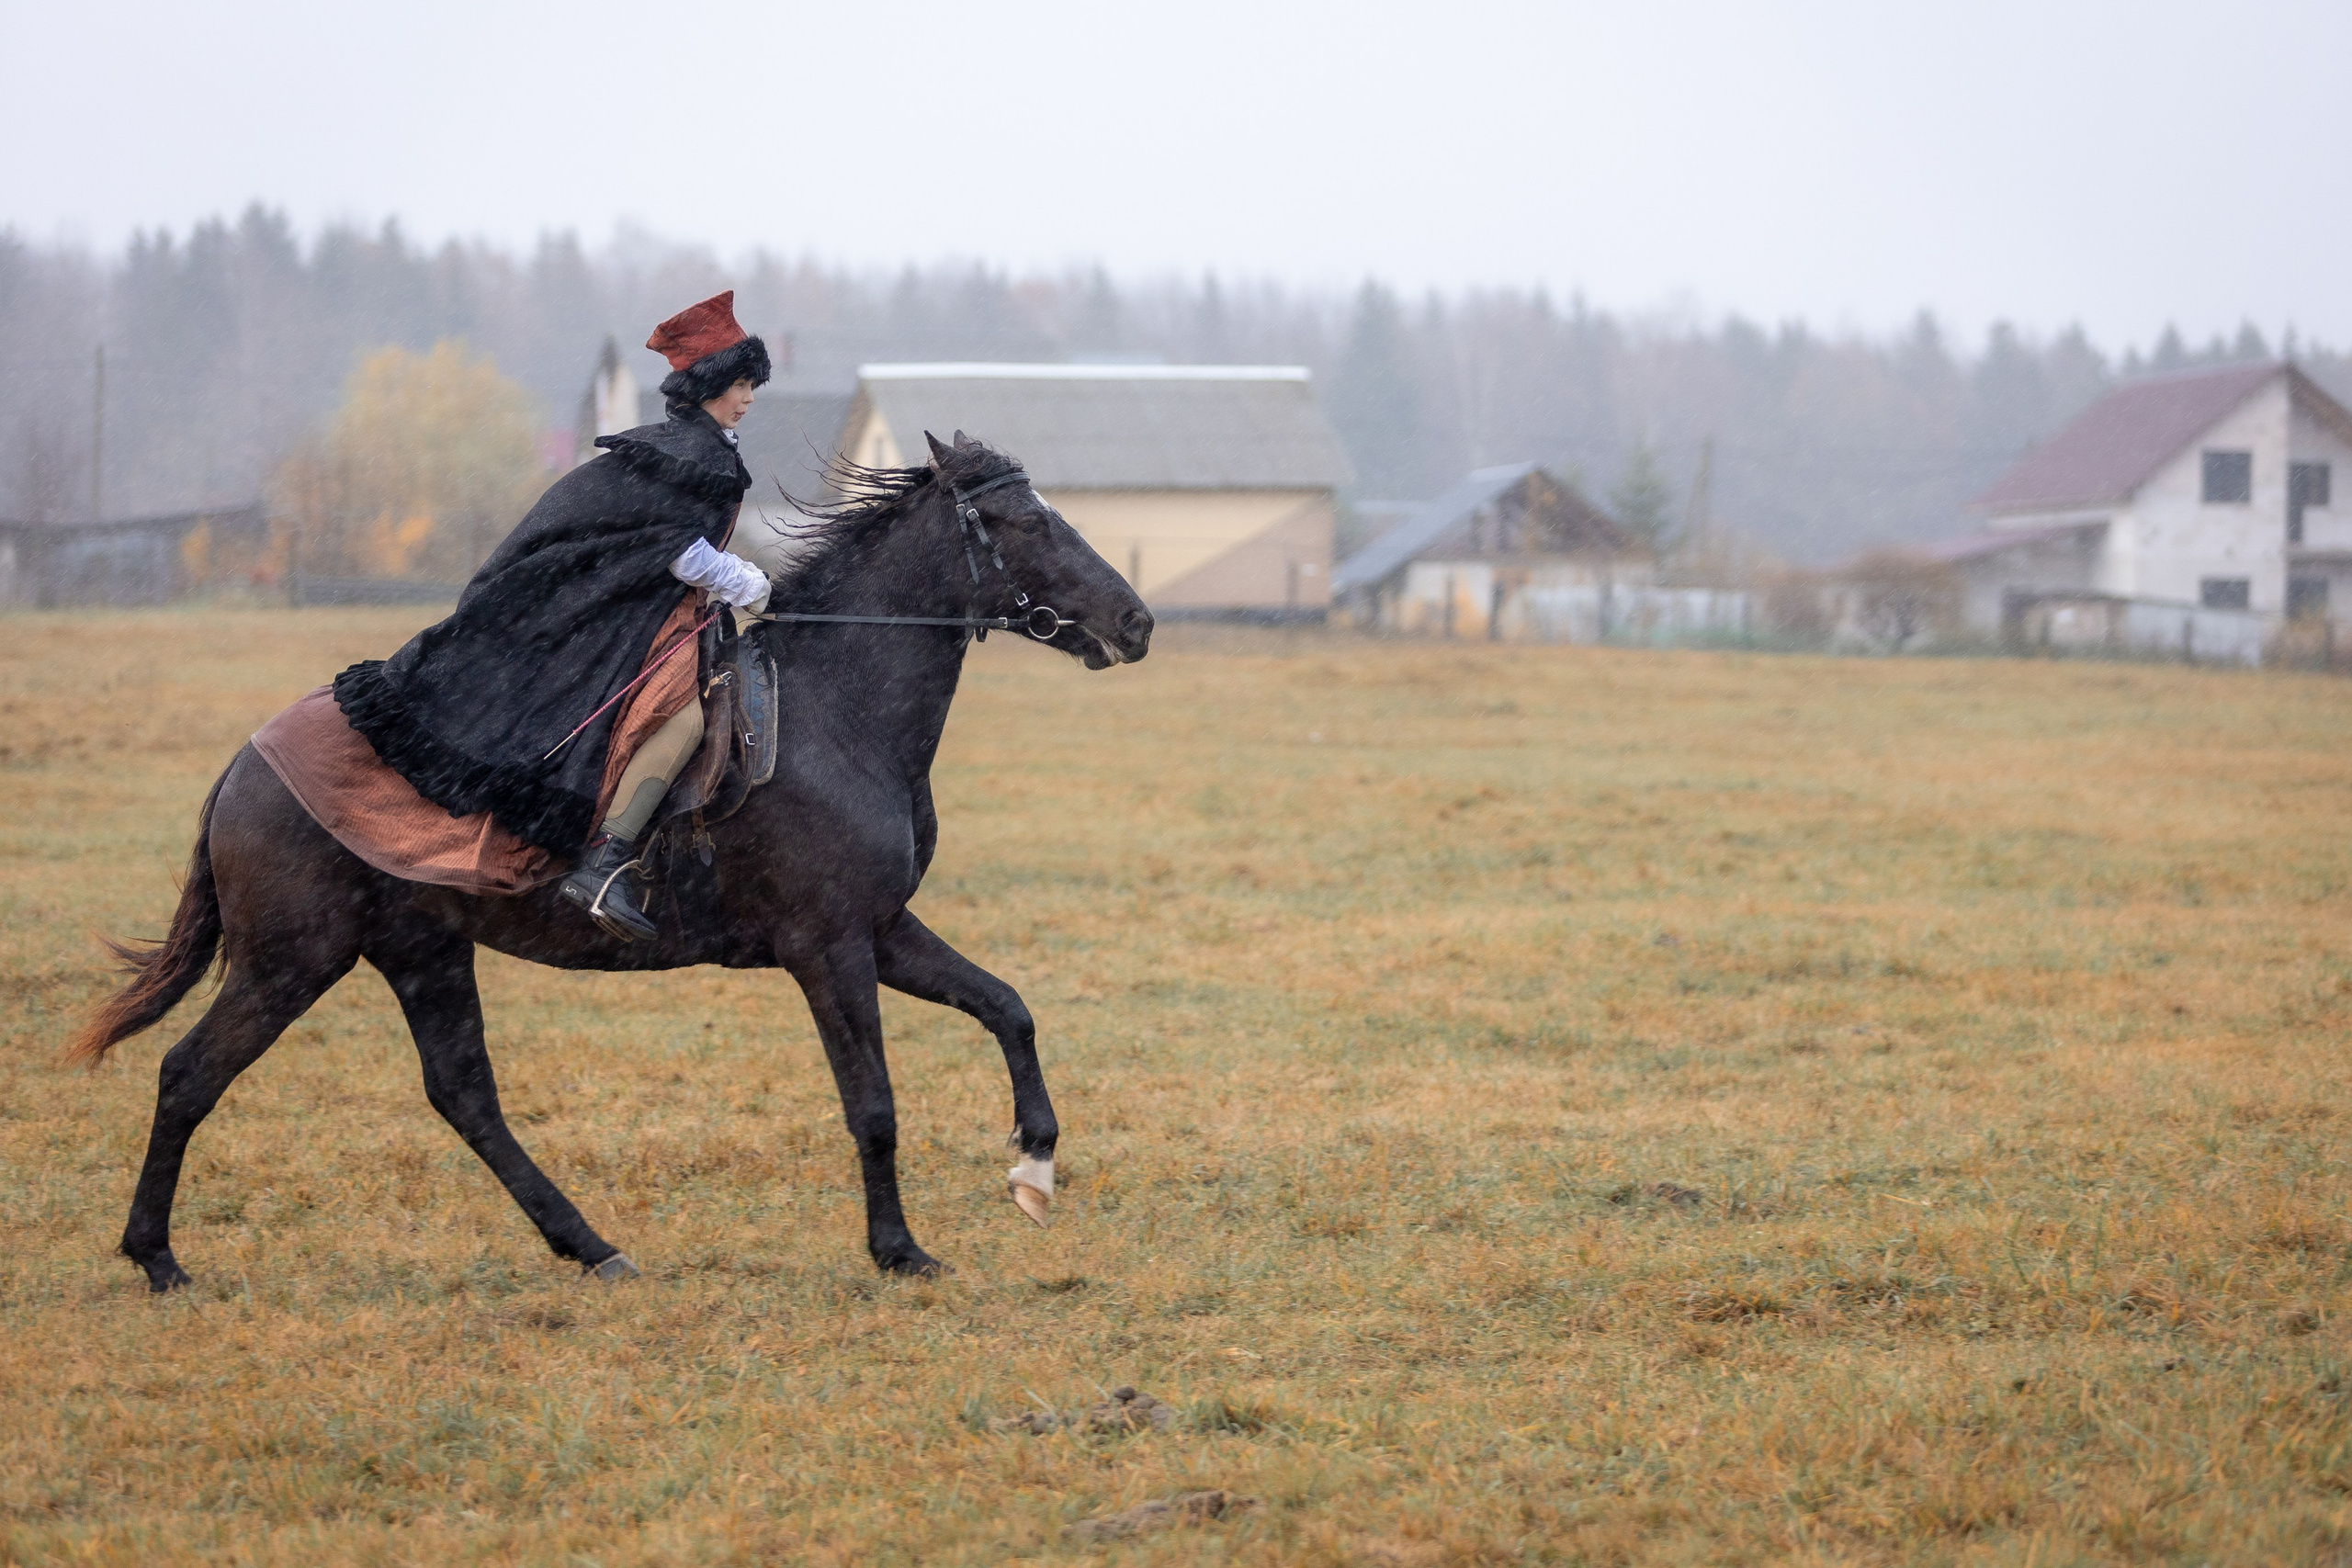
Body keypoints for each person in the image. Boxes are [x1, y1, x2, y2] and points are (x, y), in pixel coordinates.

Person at [333, 291, 777, 941]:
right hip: (629, 614)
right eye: (741, 383)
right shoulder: (688, 450)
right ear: (710, 384)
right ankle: (606, 862)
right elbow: (676, 549)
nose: (750, 397)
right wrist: (751, 582)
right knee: (684, 717)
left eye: (752, 384)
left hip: (656, 605)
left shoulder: (697, 445)